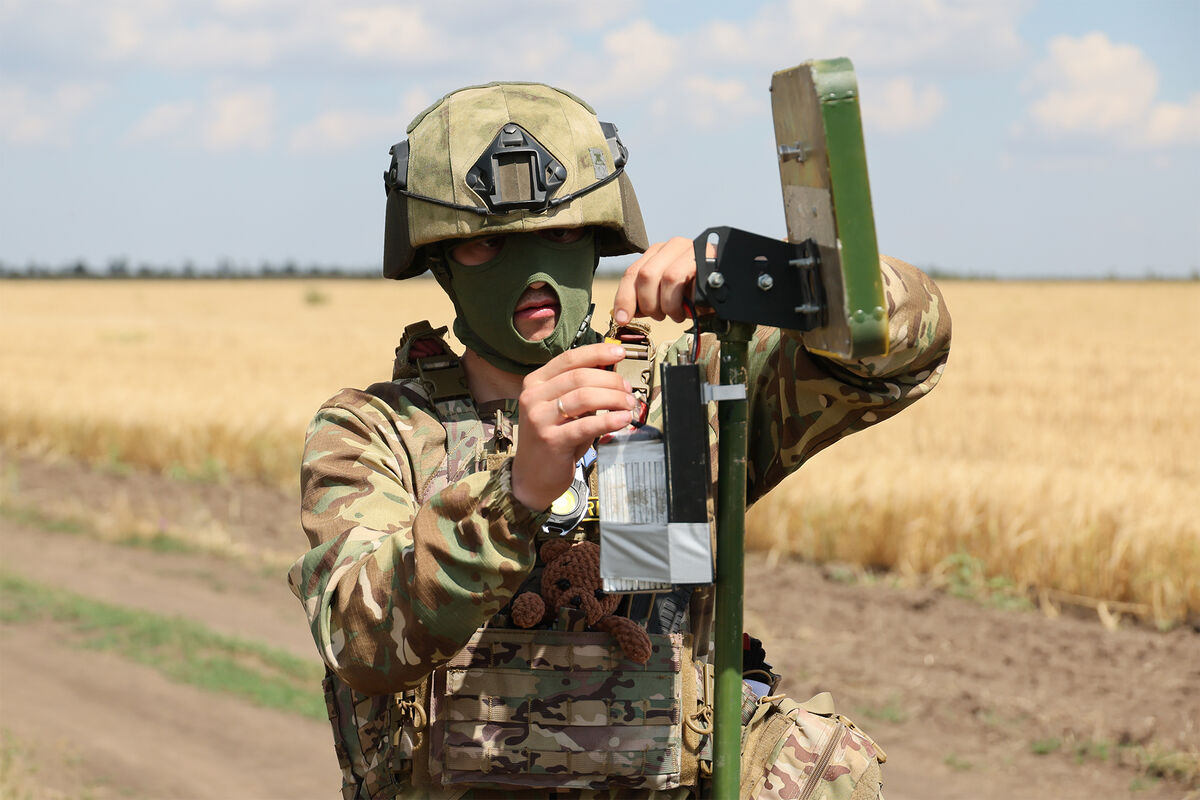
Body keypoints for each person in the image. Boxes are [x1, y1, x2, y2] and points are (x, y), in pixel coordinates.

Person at [288, 81, 951, 799]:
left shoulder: (690, 393)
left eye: (563, 232)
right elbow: (360, 637)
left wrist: (766, 278)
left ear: (603, 234)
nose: (533, 267)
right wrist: (514, 492)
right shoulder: (374, 429)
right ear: (439, 259)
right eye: (486, 244)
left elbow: (905, 349)